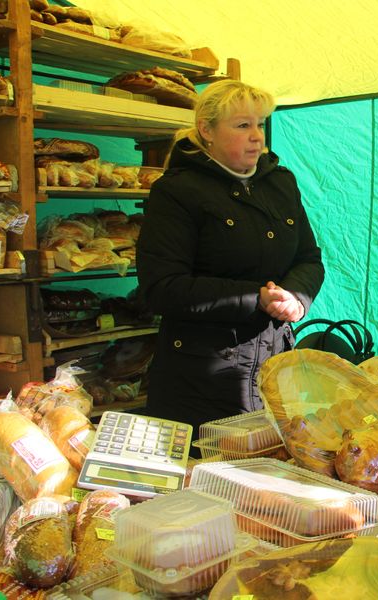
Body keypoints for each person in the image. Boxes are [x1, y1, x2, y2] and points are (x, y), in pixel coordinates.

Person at [136, 79, 325, 440]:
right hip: (200, 377)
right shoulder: (176, 191)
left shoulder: (281, 183)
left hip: (273, 366)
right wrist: (255, 298)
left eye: (260, 124)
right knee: (207, 480)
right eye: (242, 125)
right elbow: (161, 288)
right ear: (206, 130)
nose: (257, 136)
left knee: (266, 482)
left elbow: (308, 258)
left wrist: (296, 299)